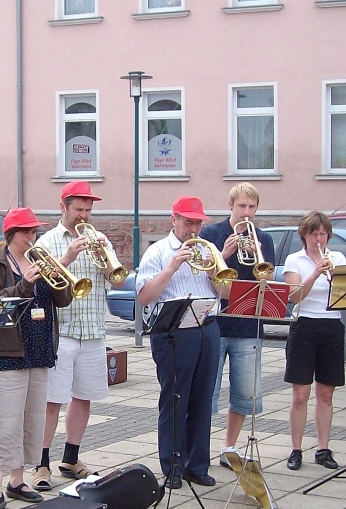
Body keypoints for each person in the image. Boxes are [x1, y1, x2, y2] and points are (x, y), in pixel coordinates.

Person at [0, 208, 72, 509]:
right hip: (7, 351)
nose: (33, 237)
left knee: (32, 418)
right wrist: (25, 284)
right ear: (11, 235)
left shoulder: (40, 259)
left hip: (39, 347)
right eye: (27, 232)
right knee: (5, 420)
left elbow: (63, 299)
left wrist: (60, 277)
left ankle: (18, 481)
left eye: (35, 231)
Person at [32, 181, 119, 490]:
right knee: (52, 401)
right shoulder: (48, 242)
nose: (84, 215)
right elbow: (42, 285)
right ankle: (41, 464)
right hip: (62, 332)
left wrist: (105, 256)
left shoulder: (99, 239)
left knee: (84, 398)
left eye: (88, 210)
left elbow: (117, 279)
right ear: (63, 208)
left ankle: (71, 458)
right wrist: (67, 257)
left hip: (93, 330)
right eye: (79, 209)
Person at [136, 196, 223, 489]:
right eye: (188, 222)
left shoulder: (208, 251)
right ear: (173, 220)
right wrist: (172, 267)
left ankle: (197, 464)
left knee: (203, 399)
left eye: (198, 222)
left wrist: (214, 270)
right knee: (174, 399)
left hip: (207, 327)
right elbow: (145, 296)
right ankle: (172, 465)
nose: (194, 229)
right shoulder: (158, 252)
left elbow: (227, 291)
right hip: (173, 332)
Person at [199, 183, 276, 469]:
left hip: (248, 326)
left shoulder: (263, 238)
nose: (246, 212)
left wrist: (260, 255)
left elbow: (264, 280)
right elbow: (205, 276)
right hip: (216, 323)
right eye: (241, 206)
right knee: (208, 391)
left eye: (252, 207)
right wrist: (224, 253)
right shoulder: (212, 234)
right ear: (231, 206)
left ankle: (229, 447)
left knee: (245, 393)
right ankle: (199, 449)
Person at [282, 212, 346, 471]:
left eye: (322, 234)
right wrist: (314, 274)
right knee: (300, 394)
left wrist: (333, 274)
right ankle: (296, 449)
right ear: (304, 236)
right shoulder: (294, 260)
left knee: (326, 393)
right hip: (304, 325)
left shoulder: (338, 258)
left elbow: (345, 293)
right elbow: (295, 297)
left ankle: (323, 448)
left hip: (331, 325)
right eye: (313, 234)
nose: (318, 238)